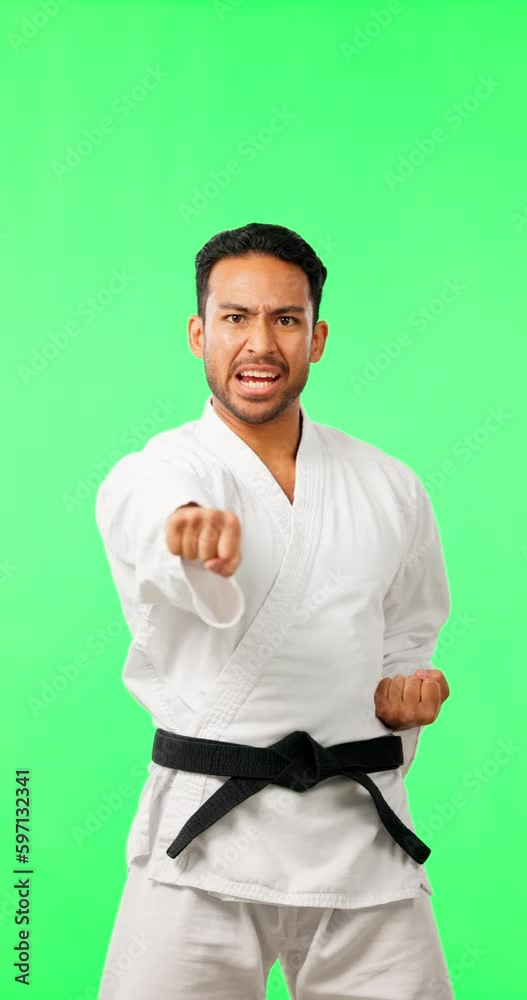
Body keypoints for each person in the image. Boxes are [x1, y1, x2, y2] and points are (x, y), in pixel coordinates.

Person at [95, 222, 454, 999]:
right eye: (235, 318)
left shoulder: (389, 485)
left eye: (284, 319)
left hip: (359, 840)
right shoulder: (157, 472)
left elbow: (409, 626)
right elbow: (144, 513)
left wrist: (405, 686)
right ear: (199, 333)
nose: (260, 342)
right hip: (201, 845)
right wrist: (185, 530)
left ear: (316, 337)